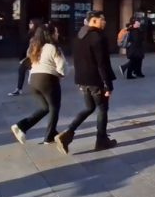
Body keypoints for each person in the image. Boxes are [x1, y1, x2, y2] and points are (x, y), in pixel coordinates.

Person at [54, 11, 117, 154]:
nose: (104, 22)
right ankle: (101, 140)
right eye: (102, 19)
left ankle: (67, 133)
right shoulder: (97, 37)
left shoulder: (78, 37)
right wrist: (108, 84)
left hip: (83, 80)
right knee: (102, 109)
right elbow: (102, 63)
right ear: (93, 21)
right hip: (96, 80)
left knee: (89, 108)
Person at [10, 25, 67, 145]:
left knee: (45, 107)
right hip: (48, 79)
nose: (57, 34)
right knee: (54, 107)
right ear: (50, 34)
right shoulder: (53, 47)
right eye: (56, 32)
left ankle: (22, 126)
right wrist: (62, 74)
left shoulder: (34, 47)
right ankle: (50, 135)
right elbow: (62, 67)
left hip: (34, 80)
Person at [9, 19, 43, 96]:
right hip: (29, 56)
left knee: (27, 71)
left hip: (34, 56)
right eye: (29, 23)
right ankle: (19, 88)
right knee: (23, 70)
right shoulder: (30, 33)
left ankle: (21, 88)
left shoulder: (37, 34)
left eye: (31, 23)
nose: (29, 25)